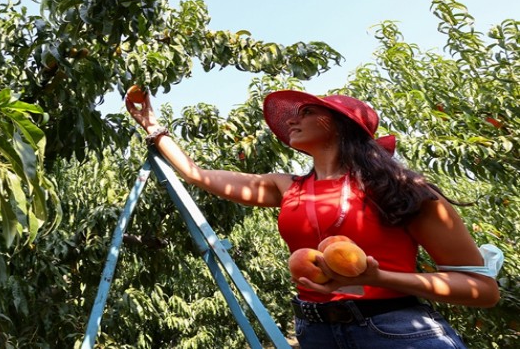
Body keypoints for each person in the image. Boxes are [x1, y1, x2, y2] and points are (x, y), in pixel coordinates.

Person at [125, 88, 501, 349]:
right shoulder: (286, 187)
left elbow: (482, 290)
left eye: (308, 112)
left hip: (396, 330)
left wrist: (377, 278)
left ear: (340, 124)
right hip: (316, 331)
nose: (293, 120)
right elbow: (197, 175)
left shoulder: (399, 189)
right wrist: (153, 127)